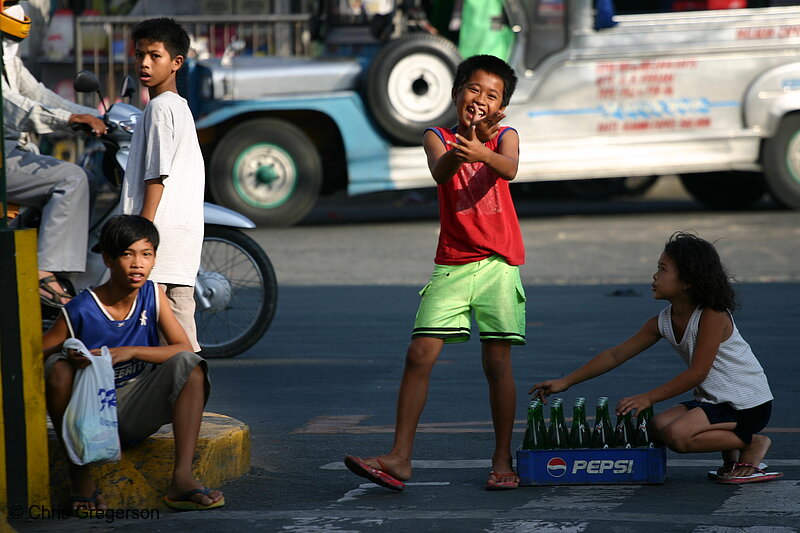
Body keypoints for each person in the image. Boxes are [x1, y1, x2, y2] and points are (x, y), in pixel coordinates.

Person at [344, 54, 525, 491]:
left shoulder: (506, 136)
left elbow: (510, 168)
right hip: (452, 263)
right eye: (474, 89)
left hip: (500, 263)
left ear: (502, 106)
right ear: (456, 91)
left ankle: (502, 460)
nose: (480, 99)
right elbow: (442, 173)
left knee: (497, 363)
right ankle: (400, 457)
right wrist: (465, 142)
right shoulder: (437, 136)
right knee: (418, 355)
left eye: (492, 94)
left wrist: (482, 146)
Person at [530, 232, 781, 485]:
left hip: (747, 405)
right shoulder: (662, 321)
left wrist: (648, 397)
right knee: (658, 425)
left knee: (677, 436)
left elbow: (697, 373)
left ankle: (753, 441)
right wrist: (567, 381)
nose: (655, 276)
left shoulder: (712, 315)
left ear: (687, 281)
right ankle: (733, 451)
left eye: (663, 269)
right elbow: (617, 354)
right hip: (715, 401)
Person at [43, 215, 224, 514]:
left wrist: (132, 351)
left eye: (146, 254)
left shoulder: (154, 295)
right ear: (109, 260)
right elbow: (38, 351)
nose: (138, 264)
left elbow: (183, 346)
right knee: (57, 369)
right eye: (127, 254)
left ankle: (182, 479)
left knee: (190, 365)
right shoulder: (81, 308)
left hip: (137, 405)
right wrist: (70, 353)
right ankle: (82, 479)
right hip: (92, 417)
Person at [2, 0, 107, 307]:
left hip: (14, 152)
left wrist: (96, 116)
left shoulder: (10, 61)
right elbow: (11, 106)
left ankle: (65, 272)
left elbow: (40, 95)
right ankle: (44, 272)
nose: (12, 47)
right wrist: (70, 120)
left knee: (86, 177)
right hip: (4, 159)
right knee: (72, 179)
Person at [118, 17, 205, 352]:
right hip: (178, 241)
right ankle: (185, 394)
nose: (144, 63)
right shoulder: (179, 107)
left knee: (174, 336)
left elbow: (157, 174)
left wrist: (142, 229)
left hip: (159, 240)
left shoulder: (158, 109)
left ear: (176, 63)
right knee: (179, 328)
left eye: (155, 56)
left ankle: (190, 393)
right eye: (140, 54)